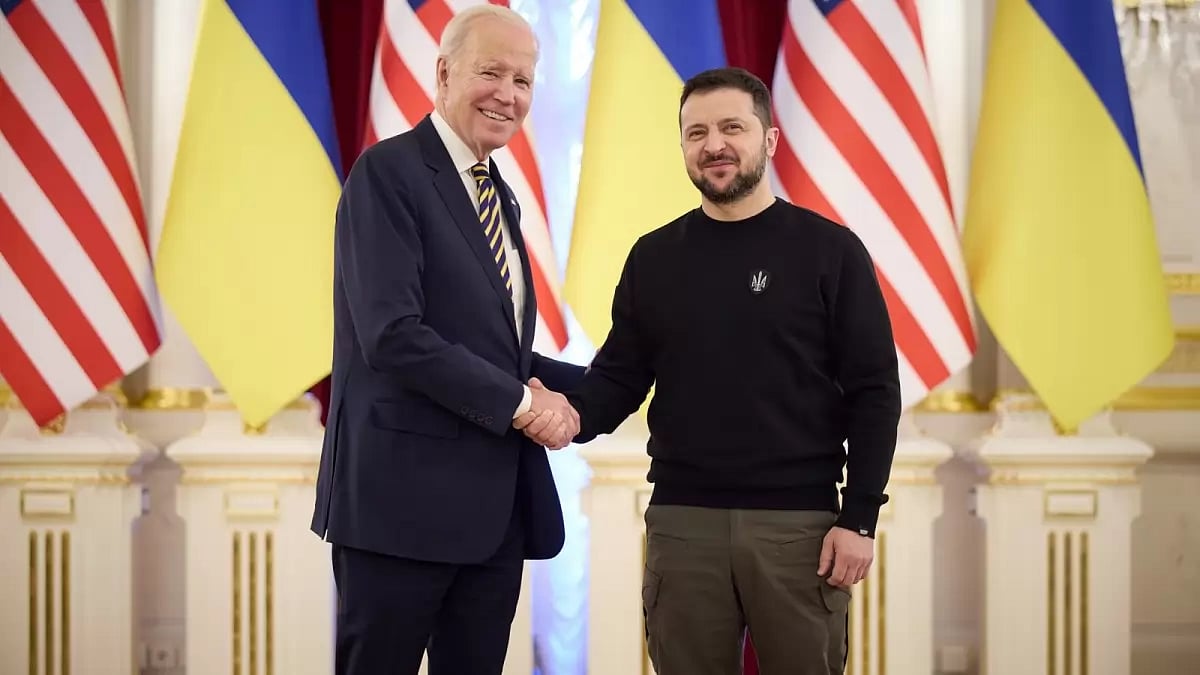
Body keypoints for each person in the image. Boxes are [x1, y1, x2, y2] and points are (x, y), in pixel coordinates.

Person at [562, 67, 902, 674]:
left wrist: (860, 520)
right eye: (696, 133)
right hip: (682, 525)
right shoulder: (654, 258)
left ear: (768, 140)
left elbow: (875, 394)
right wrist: (539, 395)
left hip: (801, 530)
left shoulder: (831, 251)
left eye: (731, 128)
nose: (713, 144)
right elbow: (615, 383)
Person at [309, 6, 583, 674]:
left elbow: (496, 353)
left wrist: (607, 388)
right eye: (491, 71)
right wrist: (525, 404)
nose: (509, 93)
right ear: (443, 72)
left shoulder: (500, 195)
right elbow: (395, 335)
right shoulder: (388, 174)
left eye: (523, 79)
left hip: (490, 518)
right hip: (398, 512)